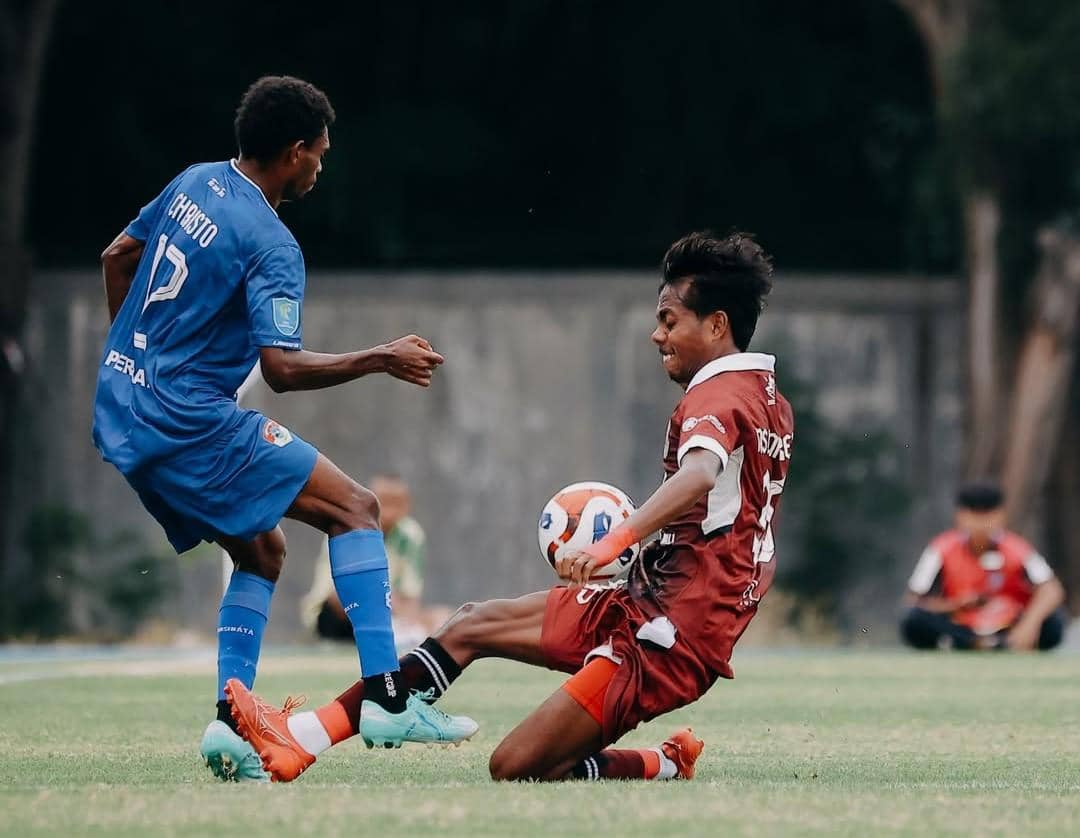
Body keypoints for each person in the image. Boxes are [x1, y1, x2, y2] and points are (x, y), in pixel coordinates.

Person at [225, 230, 794, 783]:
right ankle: (301, 737)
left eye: (669, 320)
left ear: (717, 324)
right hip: (646, 601)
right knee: (471, 624)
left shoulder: (716, 395)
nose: (656, 334)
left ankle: (663, 762)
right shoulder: (768, 399)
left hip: (670, 638)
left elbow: (699, 474)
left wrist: (616, 539)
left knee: (516, 764)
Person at [92, 75, 475, 783]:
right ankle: (390, 698)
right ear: (294, 152)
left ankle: (230, 723)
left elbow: (117, 257)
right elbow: (282, 369)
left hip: (120, 406)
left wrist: (139, 354)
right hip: (188, 419)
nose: (323, 168)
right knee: (357, 510)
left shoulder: (193, 182)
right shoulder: (271, 241)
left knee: (264, 552)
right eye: (320, 154)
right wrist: (379, 357)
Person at [901, 482, 1067, 651]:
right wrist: (956, 605)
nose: (980, 523)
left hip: (1007, 623)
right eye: (974, 515)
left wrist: (1029, 624)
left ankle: (999, 642)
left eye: (987, 515)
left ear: (1001, 515)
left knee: (1054, 622)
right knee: (914, 620)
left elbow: (1052, 589)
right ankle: (977, 643)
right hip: (962, 623)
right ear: (960, 516)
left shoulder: (1018, 549)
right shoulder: (940, 549)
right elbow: (914, 600)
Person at [302, 474, 451, 645]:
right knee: (346, 598)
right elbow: (341, 592)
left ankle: (400, 633)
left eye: (396, 504)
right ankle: (393, 634)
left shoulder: (411, 536)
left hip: (389, 608)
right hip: (340, 612)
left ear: (406, 506)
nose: (388, 512)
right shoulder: (346, 529)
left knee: (443, 616)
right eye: (383, 502)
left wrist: (411, 616)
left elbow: (411, 596)